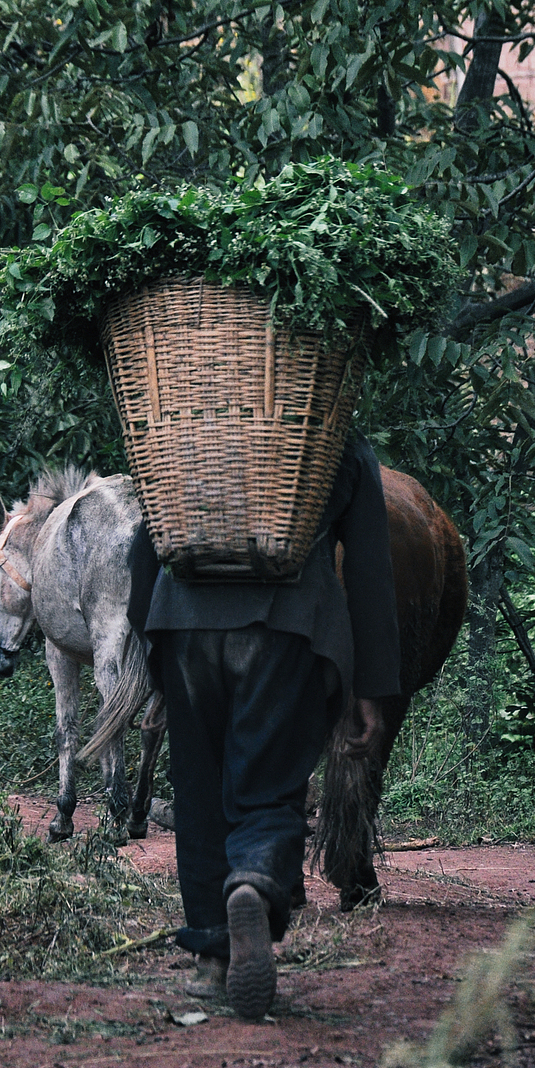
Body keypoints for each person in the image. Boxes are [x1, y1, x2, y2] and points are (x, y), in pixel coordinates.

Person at [125, 433, 400, 1019]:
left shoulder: (180, 425)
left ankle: (211, 960)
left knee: (198, 794)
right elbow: (372, 569)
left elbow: (144, 551)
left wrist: (158, 660)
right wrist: (372, 686)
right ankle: (251, 881)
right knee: (269, 784)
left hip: (185, 627)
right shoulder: (335, 437)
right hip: (286, 627)